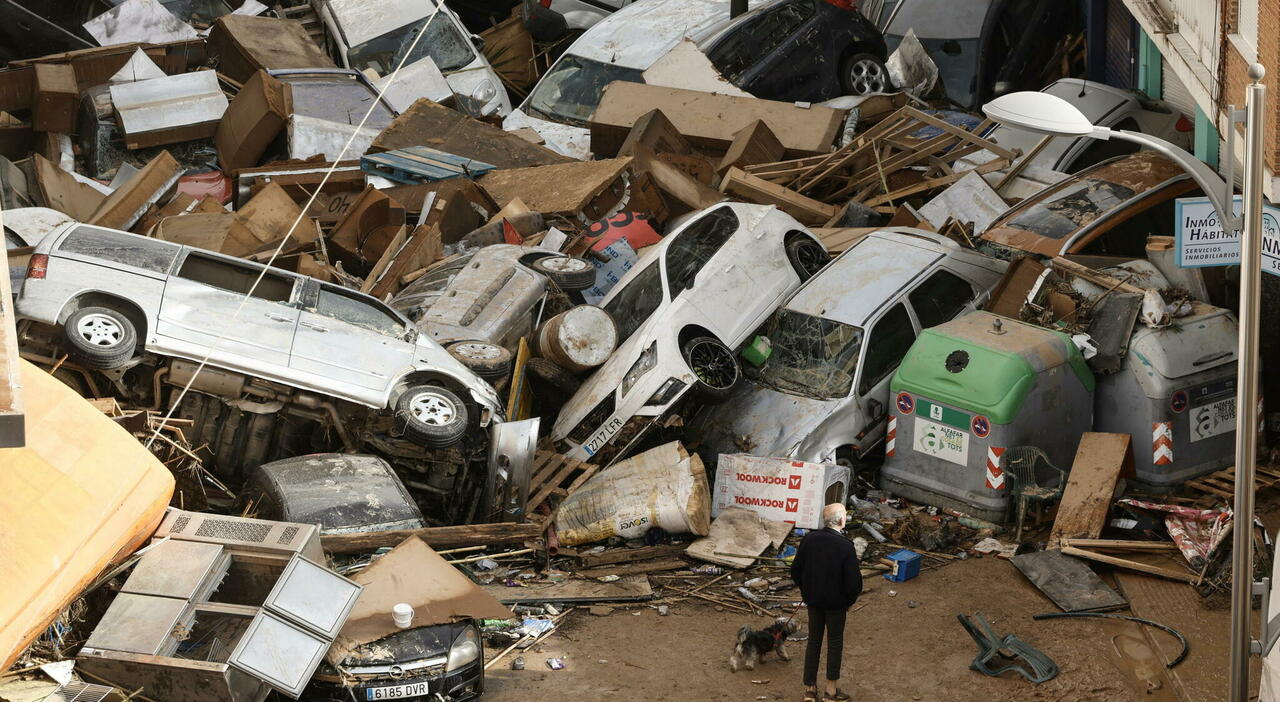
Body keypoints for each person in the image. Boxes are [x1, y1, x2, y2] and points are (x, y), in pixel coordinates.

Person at [790, 503, 862, 702]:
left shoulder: (809, 540)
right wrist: (848, 601)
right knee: (834, 643)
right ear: (840, 520)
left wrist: (807, 591)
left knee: (814, 640)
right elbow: (853, 583)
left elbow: (796, 571)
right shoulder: (846, 546)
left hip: (813, 601)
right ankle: (831, 691)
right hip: (836, 605)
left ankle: (810, 689)